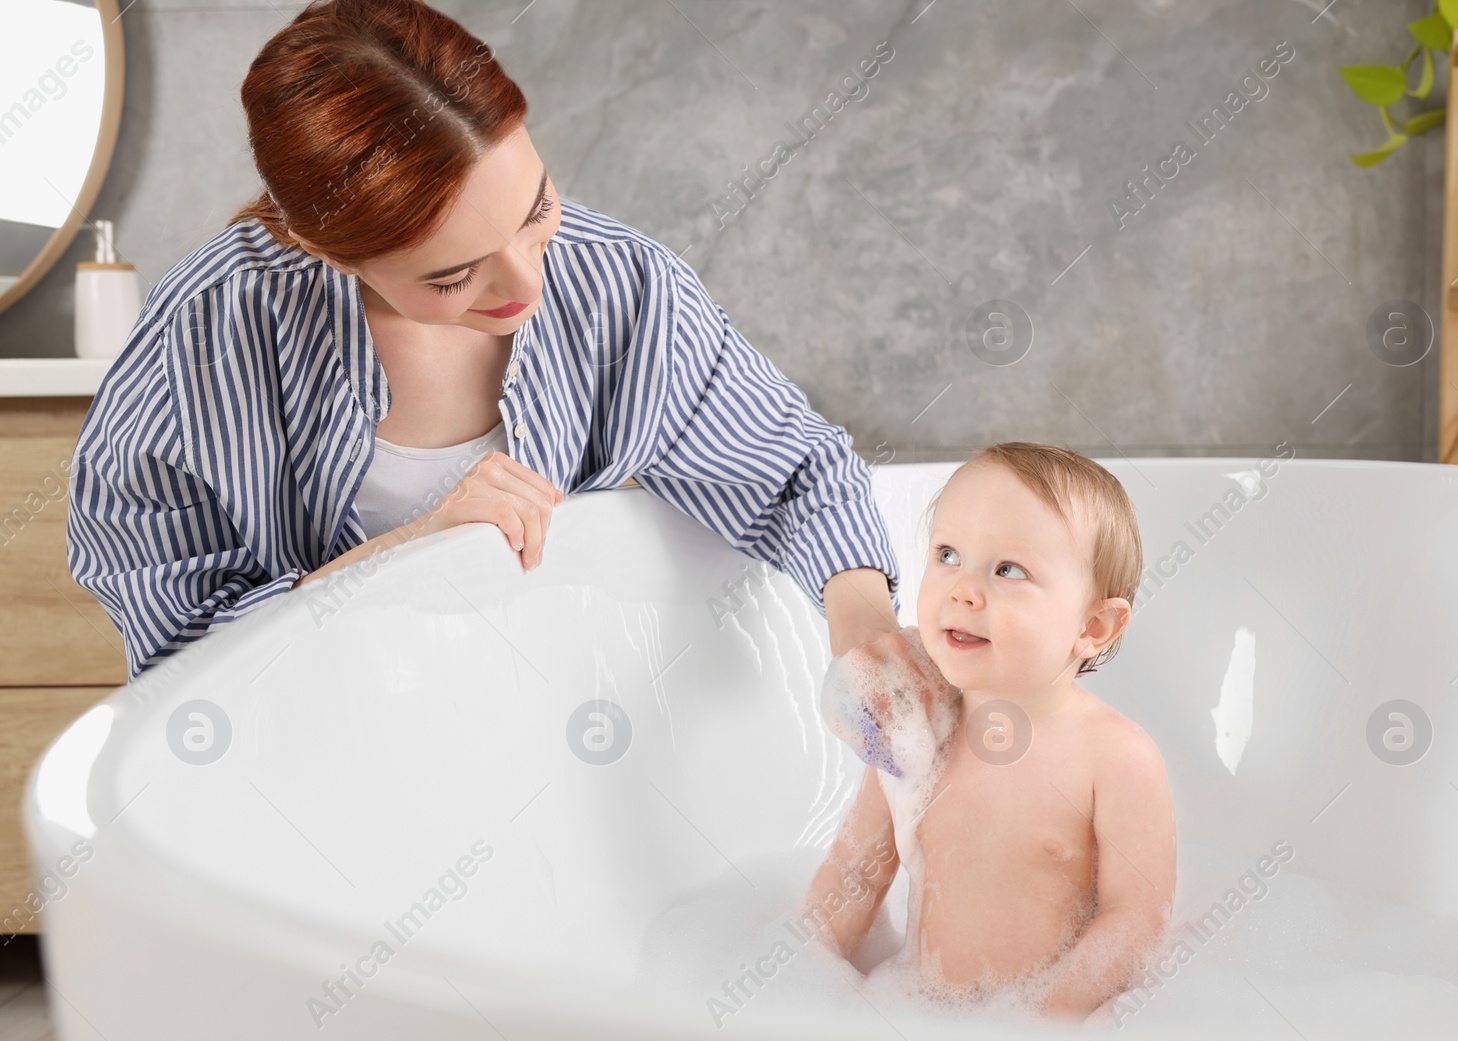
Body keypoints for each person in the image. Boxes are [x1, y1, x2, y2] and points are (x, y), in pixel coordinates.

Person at [65, 0, 916, 680]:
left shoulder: (619, 284)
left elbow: (796, 473)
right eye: (452, 277)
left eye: (536, 208)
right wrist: (407, 553)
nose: (528, 286)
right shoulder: (208, 335)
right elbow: (180, 663)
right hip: (316, 772)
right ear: (328, 249)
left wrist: (868, 634)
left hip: (565, 747)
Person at [802, 442, 1177, 1020]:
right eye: (948, 554)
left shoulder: (1116, 757)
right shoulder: (916, 731)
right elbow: (853, 878)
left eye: (1008, 570)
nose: (963, 590)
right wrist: (801, 987)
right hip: (912, 1017)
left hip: (1040, 1025)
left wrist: (1045, 1026)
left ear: (1094, 626)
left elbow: (1135, 920)